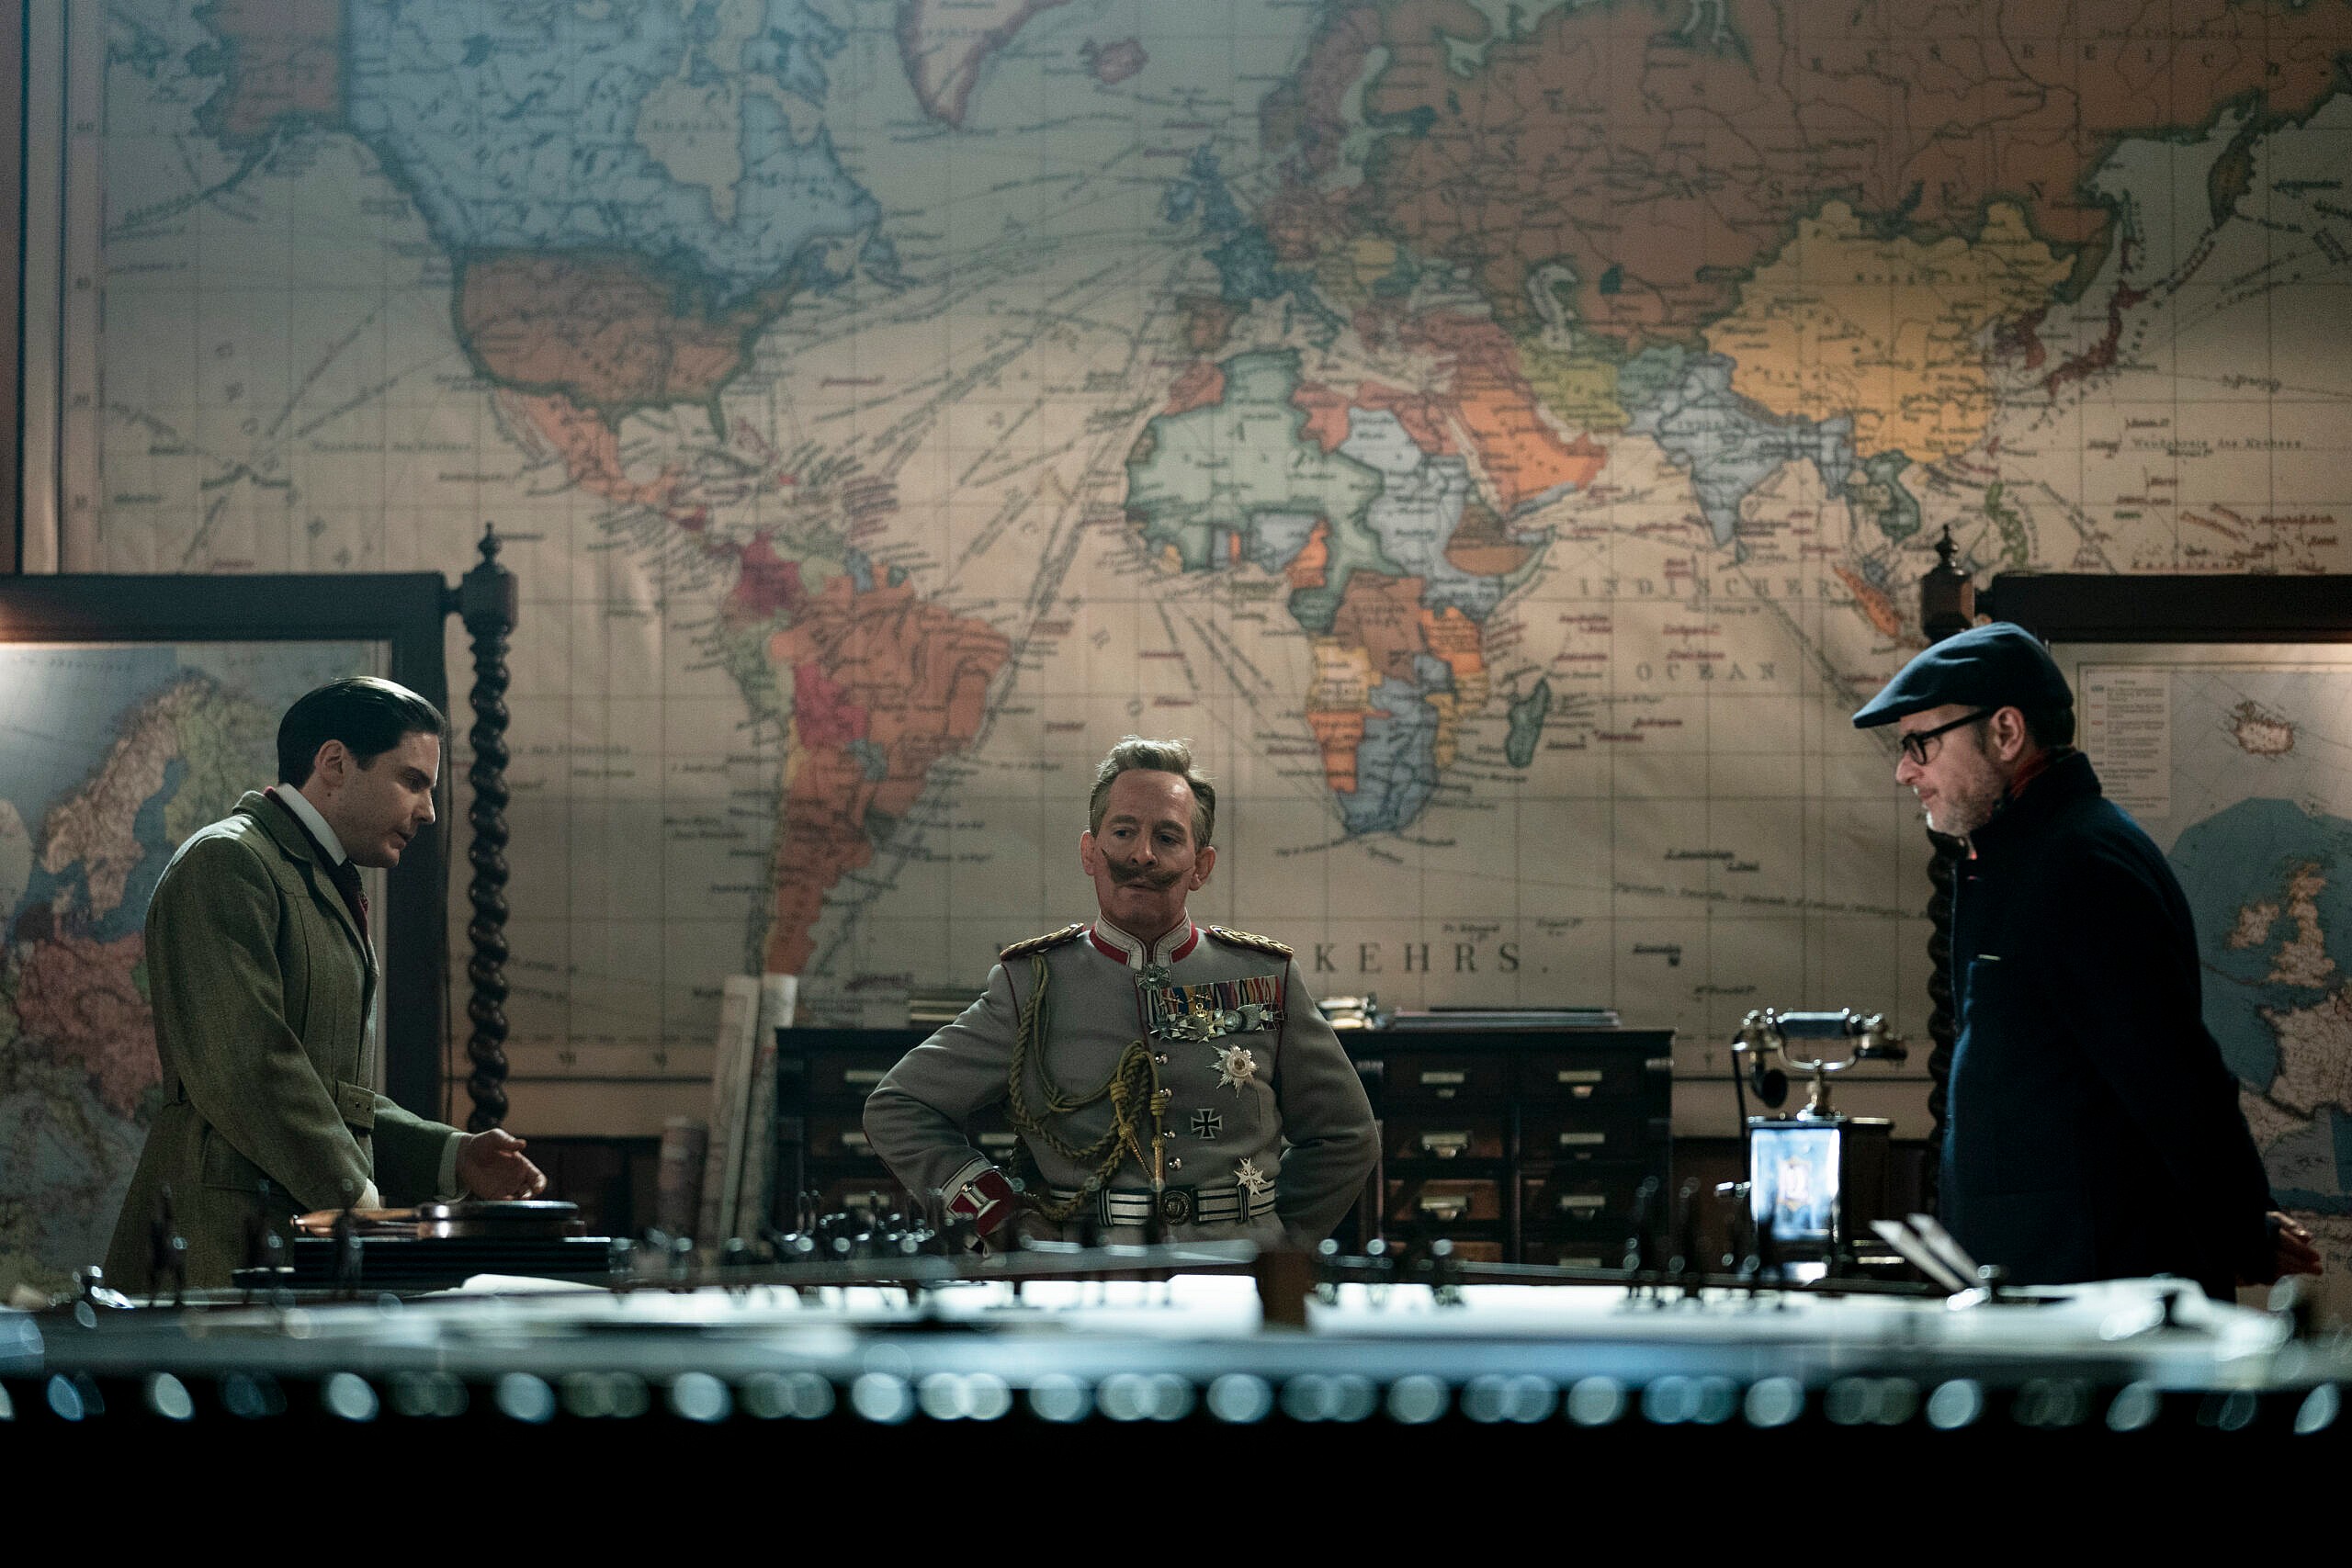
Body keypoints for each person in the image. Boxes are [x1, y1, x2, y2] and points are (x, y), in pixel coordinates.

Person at [1855, 623, 2321, 1297]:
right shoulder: (2021, 857)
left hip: (2093, 1297)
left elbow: (2172, 1075)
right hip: (2043, 1283)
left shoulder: (2079, 866)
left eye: (1921, 743)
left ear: (2006, 732)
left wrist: (2241, 1228)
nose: (1905, 770)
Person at [105, 677, 543, 1290]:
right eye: (412, 781)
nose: (428, 811)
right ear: (334, 763)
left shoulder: (313, 876)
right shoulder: (228, 862)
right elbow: (248, 1068)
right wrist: (357, 1197)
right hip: (218, 1258)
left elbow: (328, 1097)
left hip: (281, 1254)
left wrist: (453, 1156)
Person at [865, 737, 1377, 1248]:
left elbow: (1347, 1137)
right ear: (1091, 852)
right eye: (1124, 832)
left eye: (1168, 838)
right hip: (1083, 1271)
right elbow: (899, 1106)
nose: (1142, 854)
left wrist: (1280, 1244)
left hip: (1237, 1268)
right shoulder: (1033, 985)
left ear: (1201, 866)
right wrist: (999, 1217)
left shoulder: (1265, 977)